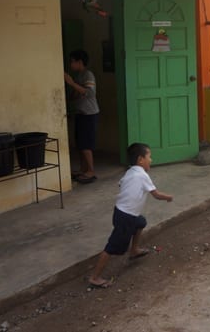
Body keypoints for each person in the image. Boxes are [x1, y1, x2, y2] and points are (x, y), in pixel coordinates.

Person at [88, 143, 173, 288]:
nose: (151, 160)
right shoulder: (142, 175)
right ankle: (95, 277)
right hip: (126, 217)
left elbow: (121, 185)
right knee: (113, 246)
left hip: (122, 212)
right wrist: (168, 197)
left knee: (140, 222)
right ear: (141, 160)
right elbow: (156, 194)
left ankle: (134, 250)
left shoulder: (130, 172)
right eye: (149, 157)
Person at [64, 49, 100, 184]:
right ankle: (83, 169)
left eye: (72, 61)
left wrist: (71, 83)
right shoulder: (79, 75)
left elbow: (90, 93)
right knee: (80, 143)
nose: (71, 64)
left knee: (86, 144)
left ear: (79, 62)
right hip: (80, 113)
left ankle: (91, 171)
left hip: (89, 114)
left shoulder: (88, 75)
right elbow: (76, 94)